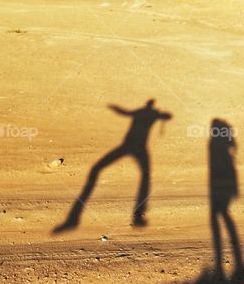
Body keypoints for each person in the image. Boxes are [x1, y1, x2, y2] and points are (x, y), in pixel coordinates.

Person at [53, 99, 172, 233]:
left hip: (130, 146)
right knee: (144, 176)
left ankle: (73, 220)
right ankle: (137, 217)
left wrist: (116, 109)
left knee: (99, 169)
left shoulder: (144, 113)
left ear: (147, 105)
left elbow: (127, 113)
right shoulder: (152, 114)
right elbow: (165, 116)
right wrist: (161, 116)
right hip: (136, 147)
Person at [209, 118, 244, 279]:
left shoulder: (217, 144)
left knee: (218, 218)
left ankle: (224, 263)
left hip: (219, 187)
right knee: (221, 217)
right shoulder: (221, 143)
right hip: (221, 187)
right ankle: (231, 261)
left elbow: (221, 167)